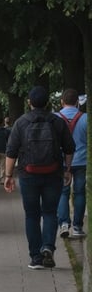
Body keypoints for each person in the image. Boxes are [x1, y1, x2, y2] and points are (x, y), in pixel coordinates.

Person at [5, 86, 75, 269]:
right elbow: (69, 148)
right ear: (48, 103)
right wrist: (67, 169)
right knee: (50, 212)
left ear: (29, 102)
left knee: (32, 215)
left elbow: (11, 151)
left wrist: (8, 175)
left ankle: (36, 258)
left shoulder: (21, 123)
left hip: (28, 174)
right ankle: (48, 248)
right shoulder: (57, 122)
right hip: (53, 173)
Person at [56, 88, 87, 239]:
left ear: (62, 101)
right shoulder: (86, 118)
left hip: (61, 161)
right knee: (80, 193)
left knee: (63, 192)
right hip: (81, 161)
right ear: (77, 102)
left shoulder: (55, 118)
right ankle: (78, 226)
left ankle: (63, 224)